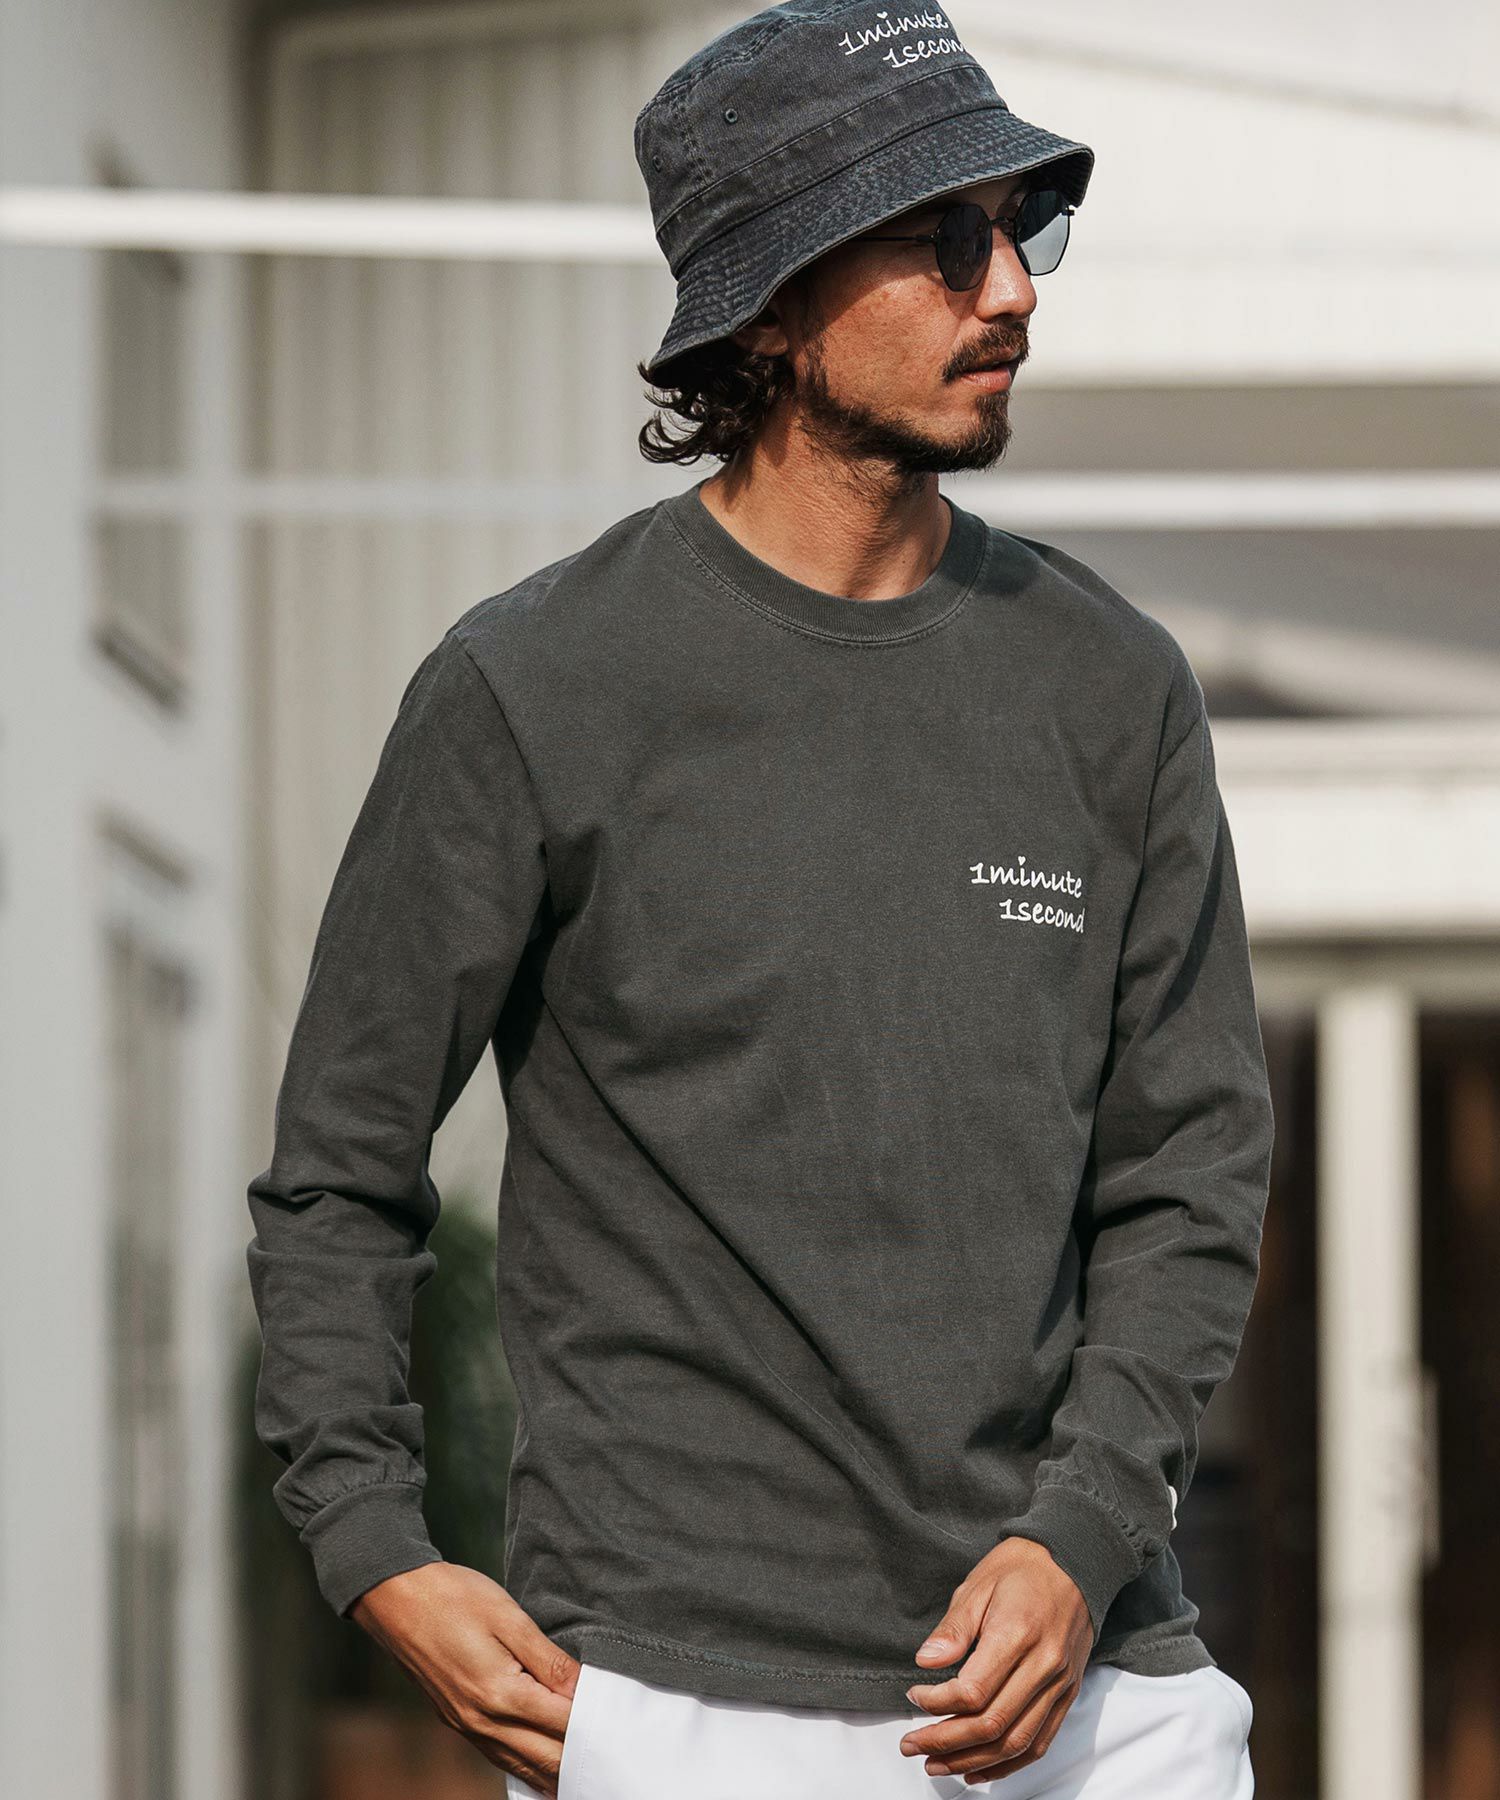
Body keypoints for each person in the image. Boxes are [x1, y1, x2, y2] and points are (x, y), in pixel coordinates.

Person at [245, 3, 1273, 1795]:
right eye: (942, 240)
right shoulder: (531, 690)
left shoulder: (1112, 689)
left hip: (1092, 1702)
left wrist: (1087, 1526)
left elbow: (1191, 1173)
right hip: (673, 1709)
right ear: (772, 308)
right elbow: (339, 1170)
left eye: (1018, 229)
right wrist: (374, 1543)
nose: (1009, 291)